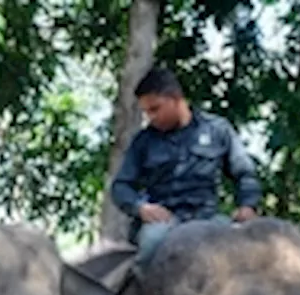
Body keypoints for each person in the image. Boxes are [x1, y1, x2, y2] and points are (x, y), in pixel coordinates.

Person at [110, 65, 263, 267]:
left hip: (208, 219)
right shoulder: (144, 141)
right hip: (164, 223)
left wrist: (247, 206)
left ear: (176, 99)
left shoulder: (218, 130)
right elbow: (120, 186)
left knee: (246, 254)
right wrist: (141, 208)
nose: (151, 118)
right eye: (146, 112)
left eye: (155, 109)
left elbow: (245, 173)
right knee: (150, 247)